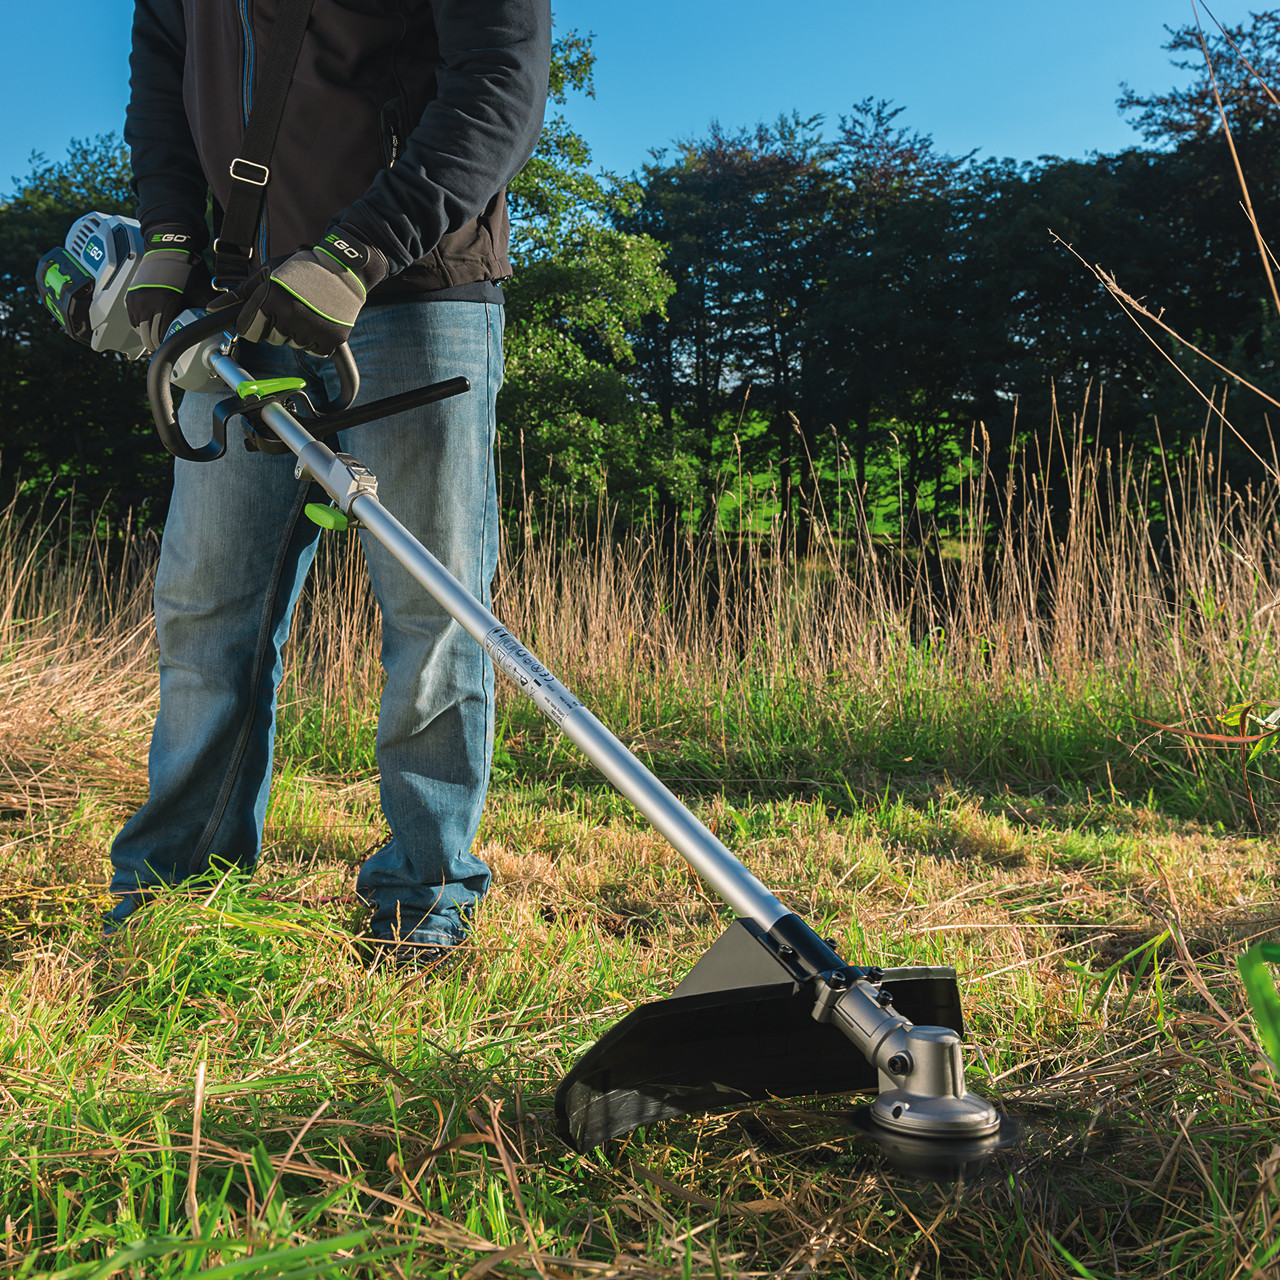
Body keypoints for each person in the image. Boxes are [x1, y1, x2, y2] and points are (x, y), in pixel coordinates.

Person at [108, 0, 552, 967]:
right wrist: (172, 231)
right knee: (205, 610)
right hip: (234, 297)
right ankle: (174, 887)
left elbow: (503, 81)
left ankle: (423, 893)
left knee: (434, 609)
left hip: (412, 289)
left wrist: (362, 247)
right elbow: (161, 81)